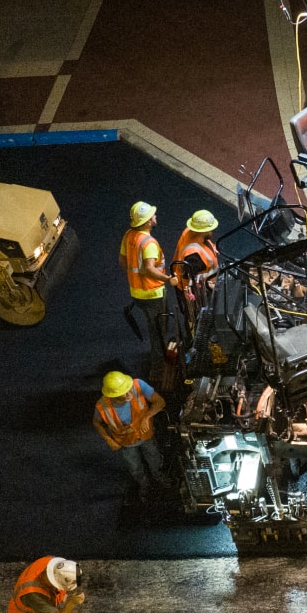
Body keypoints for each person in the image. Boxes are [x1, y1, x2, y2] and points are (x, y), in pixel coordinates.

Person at [119, 201, 179, 385]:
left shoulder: (129, 235)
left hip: (137, 292)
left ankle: (160, 358)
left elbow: (123, 261)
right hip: (153, 294)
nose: (155, 217)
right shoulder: (149, 243)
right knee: (158, 333)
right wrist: (168, 279)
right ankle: (158, 369)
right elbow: (149, 269)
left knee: (156, 329)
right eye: (152, 215)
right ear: (146, 222)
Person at [93, 370, 169, 504]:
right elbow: (96, 422)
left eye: (128, 389)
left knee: (154, 457)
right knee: (134, 466)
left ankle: (159, 476)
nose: (129, 394)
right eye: (124, 394)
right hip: (126, 442)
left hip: (146, 435)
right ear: (112, 395)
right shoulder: (102, 406)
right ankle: (143, 483)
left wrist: (146, 417)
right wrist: (108, 440)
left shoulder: (138, 385)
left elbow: (160, 402)